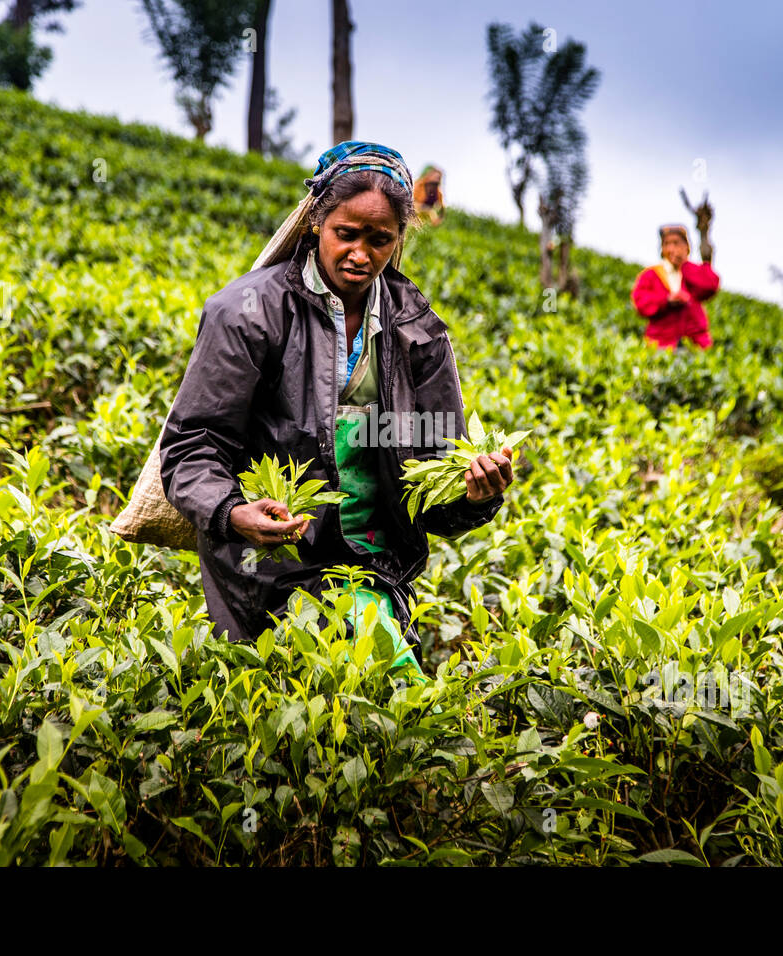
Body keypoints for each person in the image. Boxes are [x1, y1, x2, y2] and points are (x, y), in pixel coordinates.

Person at [158, 141, 515, 681]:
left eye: (380, 240)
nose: (361, 254)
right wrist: (233, 511)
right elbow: (193, 447)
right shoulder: (247, 314)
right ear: (314, 224)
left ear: (398, 240)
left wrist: (473, 492)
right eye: (346, 234)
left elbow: (435, 475)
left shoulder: (418, 330)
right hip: (270, 565)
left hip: (375, 569)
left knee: (378, 721)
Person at [631, 224, 719, 350]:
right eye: (667, 244)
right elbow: (640, 302)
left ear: (686, 247)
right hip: (661, 343)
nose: (671, 248)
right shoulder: (652, 275)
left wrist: (685, 264)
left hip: (694, 344)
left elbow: (710, 286)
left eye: (676, 243)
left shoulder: (691, 271)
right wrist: (666, 300)